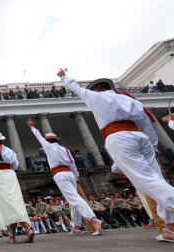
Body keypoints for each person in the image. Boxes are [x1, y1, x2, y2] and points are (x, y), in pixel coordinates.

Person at [59, 68, 174, 242]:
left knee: (147, 182)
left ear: (96, 90)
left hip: (118, 137)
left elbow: (74, 87)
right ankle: (171, 228)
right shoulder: (131, 101)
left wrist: (63, 76)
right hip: (141, 138)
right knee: (156, 180)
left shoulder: (95, 97)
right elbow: (146, 124)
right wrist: (153, 146)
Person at [27, 118, 102, 236]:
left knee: (74, 199)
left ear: (48, 141)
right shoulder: (65, 149)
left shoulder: (49, 146)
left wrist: (32, 127)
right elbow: (73, 164)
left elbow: (39, 137)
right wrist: (76, 177)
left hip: (60, 174)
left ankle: (93, 220)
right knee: (73, 202)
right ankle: (76, 227)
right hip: (70, 174)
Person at [0, 131, 34, 243]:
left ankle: (27, 229)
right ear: (2, 140)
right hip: (10, 175)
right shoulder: (10, 150)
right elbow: (15, 165)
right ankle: (12, 235)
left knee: (7, 205)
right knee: (14, 202)